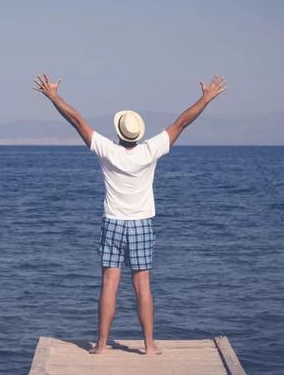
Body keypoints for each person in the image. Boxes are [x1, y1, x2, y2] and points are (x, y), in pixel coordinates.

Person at [32, 73, 227, 355]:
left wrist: (53, 96)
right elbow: (182, 121)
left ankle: (100, 345)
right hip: (141, 224)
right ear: (139, 134)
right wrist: (206, 98)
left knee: (109, 284)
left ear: (119, 132)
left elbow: (76, 120)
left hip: (113, 222)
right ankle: (149, 345)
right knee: (142, 285)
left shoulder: (107, 150)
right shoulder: (151, 150)